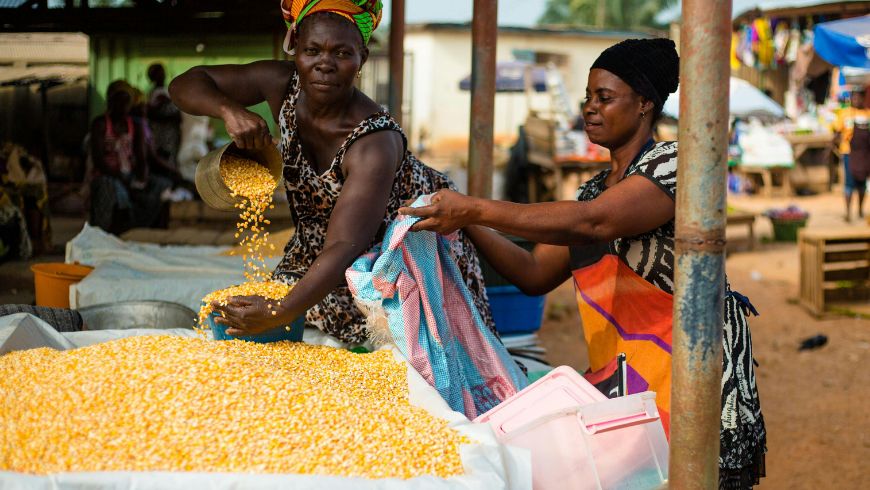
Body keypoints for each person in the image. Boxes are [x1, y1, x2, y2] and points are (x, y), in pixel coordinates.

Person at [401, 38, 767, 489]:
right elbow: (533, 274)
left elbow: (594, 224)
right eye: (588, 98)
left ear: (645, 104)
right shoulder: (595, 190)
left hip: (693, 385)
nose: (590, 109)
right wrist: (463, 223)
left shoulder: (673, 165)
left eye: (605, 98)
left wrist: (474, 208)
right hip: (634, 390)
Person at [168, 0, 496, 345]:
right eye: (312, 50)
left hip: (397, 261)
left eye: (341, 54)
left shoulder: (374, 142)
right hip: (326, 252)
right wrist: (228, 110)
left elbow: (344, 244)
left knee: (394, 341)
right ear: (294, 48)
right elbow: (185, 84)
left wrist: (282, 309)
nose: (324, 64)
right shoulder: (281, 84)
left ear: (361, 60)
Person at [88, 80, 172, 234]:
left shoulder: (135, 126)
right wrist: (122, 179)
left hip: (129, 175)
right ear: (110, 101)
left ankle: (148, 231)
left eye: (126, 101)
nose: (123, 105)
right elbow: (99, 161)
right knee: (112, 188)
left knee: (161, 185)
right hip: (107, 175)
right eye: (118, 100)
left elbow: (141, 158)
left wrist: (140, 180)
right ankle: (106, 233)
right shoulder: (100, 124)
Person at [832, 87, 870, 221]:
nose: (856, 100)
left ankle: (860, 210)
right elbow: (836, 132)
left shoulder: (868, 114)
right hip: (848, 153)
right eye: (854, 97)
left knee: (862, 183)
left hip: (865, 155)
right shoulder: (845, 114)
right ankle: (848, 213)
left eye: (858, 97)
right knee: (849, 183)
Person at [147, 63, 182, 170]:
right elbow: (152, 114)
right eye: (158, 73)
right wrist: (172, 118)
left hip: (171, 132)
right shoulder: (155, 93)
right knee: (165, 156)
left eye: (162, 72)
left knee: (172, 156)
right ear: (153, 76)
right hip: (162, 134)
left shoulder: (167, 90)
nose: (162, 75)